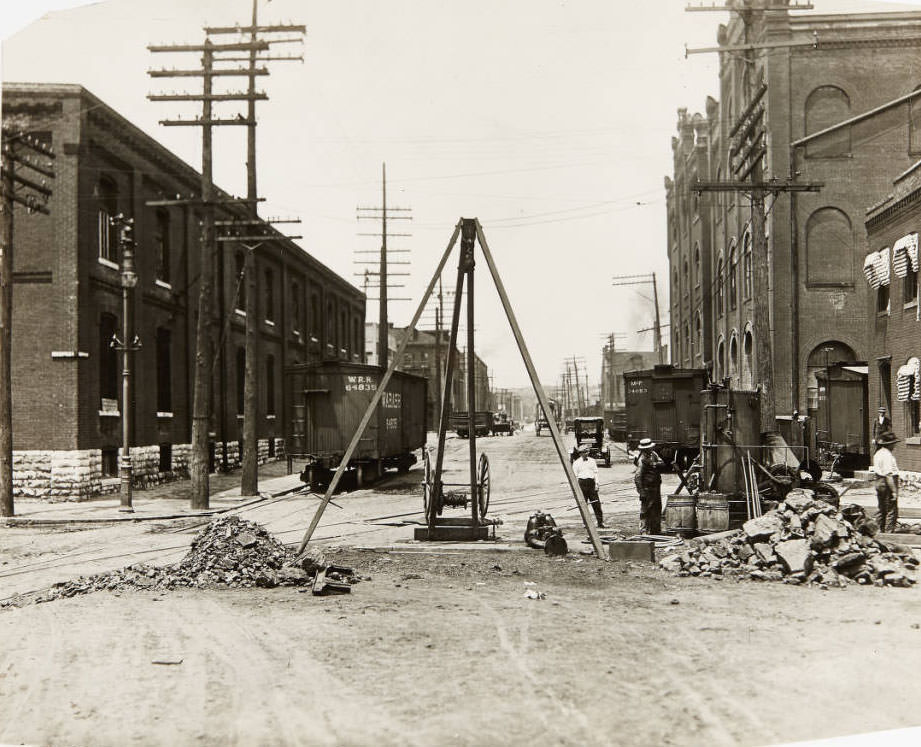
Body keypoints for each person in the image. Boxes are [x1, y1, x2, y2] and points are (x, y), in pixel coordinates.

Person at [871, 430, 900, 532]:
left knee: (881, 508)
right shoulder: (887, 455)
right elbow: (888, 475)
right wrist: (894, 491)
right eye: (893, 444)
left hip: (879, 482)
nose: (894, 446)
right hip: (887, 483)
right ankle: (889, 534)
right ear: (889, 444)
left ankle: (878, 531)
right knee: (891, 510)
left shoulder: (878, 453)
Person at [634, 438, 664, 535]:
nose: (650, 449)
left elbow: (662, 463)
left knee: (656, 508)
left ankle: (655, 529)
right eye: (649, 448)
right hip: (647, 488)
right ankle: (643, 530)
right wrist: (641, 491)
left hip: (655, 486)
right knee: (646, 509)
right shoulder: (641, 460)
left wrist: (654, 464)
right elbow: (638, 477)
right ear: (644, 449)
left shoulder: (654, 454)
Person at [572, 445, 605, 528]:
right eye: (584, 452)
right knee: (583, 504)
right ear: (580, 453)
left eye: (587, 452)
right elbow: (575, 476)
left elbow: (596, 472)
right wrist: (577, 488)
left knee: (596, 504)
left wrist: (597, 483)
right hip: (582, 483)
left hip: (591, 483)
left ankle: (600, 522)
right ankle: (585, 523)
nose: (587, 453)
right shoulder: (576, 463)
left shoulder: (592, 461)